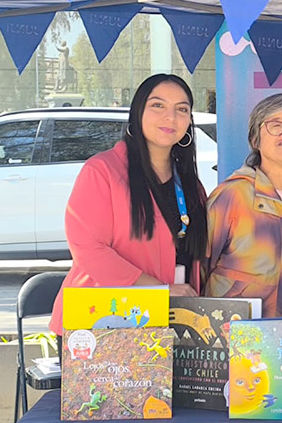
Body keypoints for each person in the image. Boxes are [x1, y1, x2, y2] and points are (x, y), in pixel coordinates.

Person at [50, 74, 208, 336]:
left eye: (182, 109)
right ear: (137, 113)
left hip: (168, 324)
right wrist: (159, 291)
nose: (171, 117)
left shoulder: (191, 184)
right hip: (101, 324)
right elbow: (89, 250)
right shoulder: (102, 171)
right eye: (158, 105)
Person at [204, 93, 282, 316]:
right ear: (255, 140)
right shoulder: (232, 196)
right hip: (235, 337)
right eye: (275, 125)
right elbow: (199, 267)